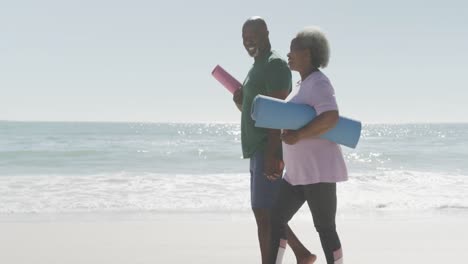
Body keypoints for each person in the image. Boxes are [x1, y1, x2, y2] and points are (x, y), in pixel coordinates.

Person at [233, 17, 315, 264]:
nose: (248, 40)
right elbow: (257, 111)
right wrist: (241, 101)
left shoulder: (275, 64)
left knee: (266, 214)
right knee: (267, 212)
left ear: (266, 33)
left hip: (266, 148)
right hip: (256, 148)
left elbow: (278, 111)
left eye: (253, 34)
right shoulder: (257, 66)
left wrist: (274, 153)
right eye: (244, 36)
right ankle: (302, 254)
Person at [268, 27, 348, 264]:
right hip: (296, 174)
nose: (289, 54)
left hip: (319, 172)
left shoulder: (319, 84)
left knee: (324, 227)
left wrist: (300, 135)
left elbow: (330, 117)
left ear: (309, 53)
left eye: (294, 49)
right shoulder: (302, 85)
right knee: (276, 218)